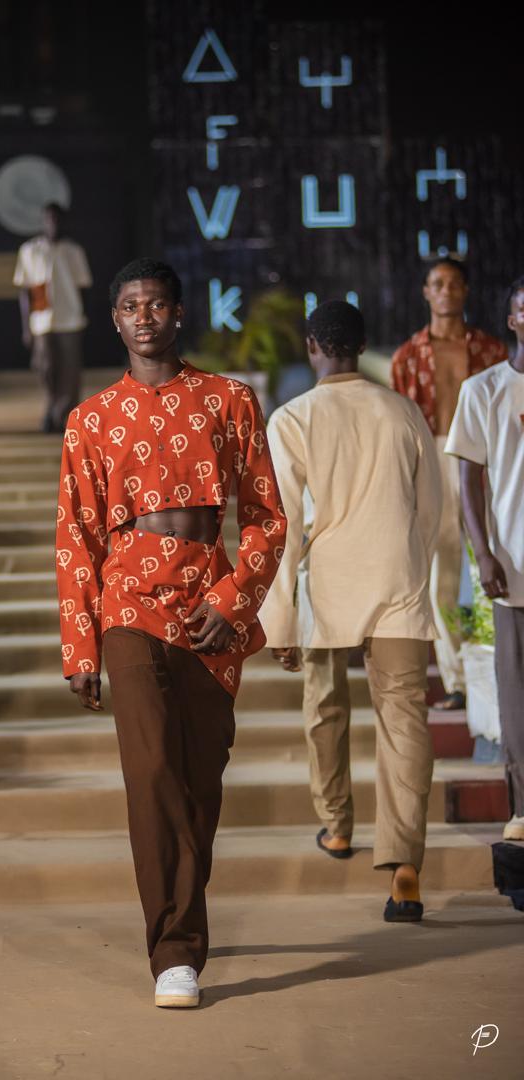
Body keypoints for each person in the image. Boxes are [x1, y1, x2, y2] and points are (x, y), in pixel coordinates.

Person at [55, 257, 287, 1007]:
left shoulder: (229, 398)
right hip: (128, 600)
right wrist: (79, 644)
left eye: (156, 303)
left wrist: (236, 597)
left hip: (210, 600)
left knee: (199, 782)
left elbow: (267, 517)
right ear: (114, 320)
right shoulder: (90, 419)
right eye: (130, 306)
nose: (144, 316)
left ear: (179, 313)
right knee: (151, 769)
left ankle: (182, 905)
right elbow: (76, 537)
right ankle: (175, 952)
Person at [260, 301, 442, 922]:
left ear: (312, 346)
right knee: (404, 720)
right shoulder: (403, 410)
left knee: (325, 705)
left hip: (327, 584)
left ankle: (337, 825)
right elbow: (429, 508)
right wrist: (411, 563)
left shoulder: (292, 419)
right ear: (363, 347)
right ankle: (405, 865)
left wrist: (278, 618)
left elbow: (282, 526)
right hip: (397, 581)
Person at [391, 258, 508, 711]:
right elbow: (401, 427)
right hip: (432, 457)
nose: (446, 291)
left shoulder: (491, 350)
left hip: (483, 458)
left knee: (491, 561)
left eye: (455, 283)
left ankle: (496, 669)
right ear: (425, 291)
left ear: (466, 290)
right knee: (442, 571)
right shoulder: (407, 355)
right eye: (438, 283)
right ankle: (457, 678)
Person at [445, 276, 524, 842]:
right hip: (514, 565)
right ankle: (522, 809)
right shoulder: (484, 390)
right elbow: (468, 482)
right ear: (513, 319)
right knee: (516, 696)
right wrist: (484, 553)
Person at [14, 203, 92, 432]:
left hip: (70, 319)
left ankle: (64, 414)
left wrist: (83, 315)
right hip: (41, 320)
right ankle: (52, 405)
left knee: (70, 369)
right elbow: (25, 291)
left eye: (56, 218)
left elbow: (83, 286)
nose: (52, 223)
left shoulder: (73, 250)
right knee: (45, 366)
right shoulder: (30, 250)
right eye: (48, 218)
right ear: (42, 221)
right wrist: (26, 326)